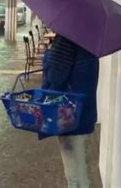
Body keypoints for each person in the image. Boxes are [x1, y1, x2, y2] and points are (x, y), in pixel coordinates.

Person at [41, 34, 100, 188]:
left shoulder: (66, 40)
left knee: (75, 180)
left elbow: (55, 77)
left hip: (69, 116)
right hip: (84, 114)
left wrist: (49, 56)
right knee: (81, 175)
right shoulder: (89, 40)